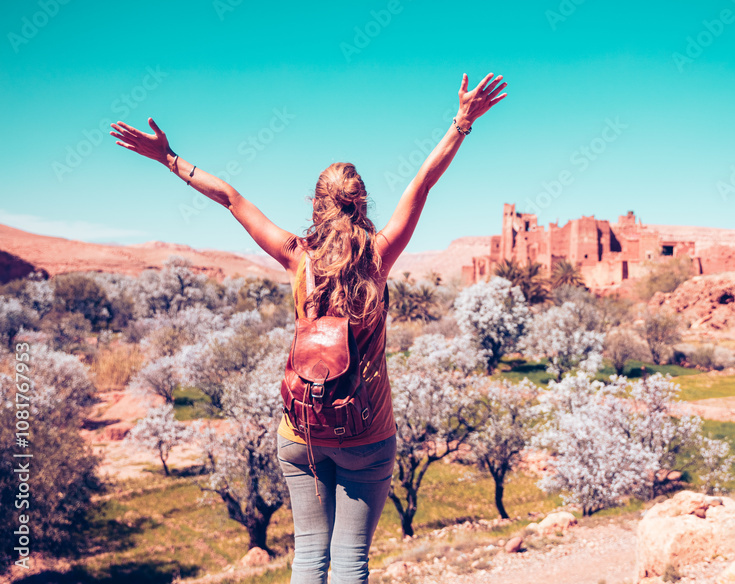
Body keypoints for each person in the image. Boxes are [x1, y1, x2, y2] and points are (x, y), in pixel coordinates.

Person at [110, 72, 507, 584]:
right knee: (348, 562)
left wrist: (169, 158)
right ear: (361, 203)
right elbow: (423, 183)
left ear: (316, 205)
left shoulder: (297, 256)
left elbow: (231, 198)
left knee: (309, 557)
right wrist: (461, 123)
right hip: (365, 432)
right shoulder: (379, 255)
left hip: (301, 432)